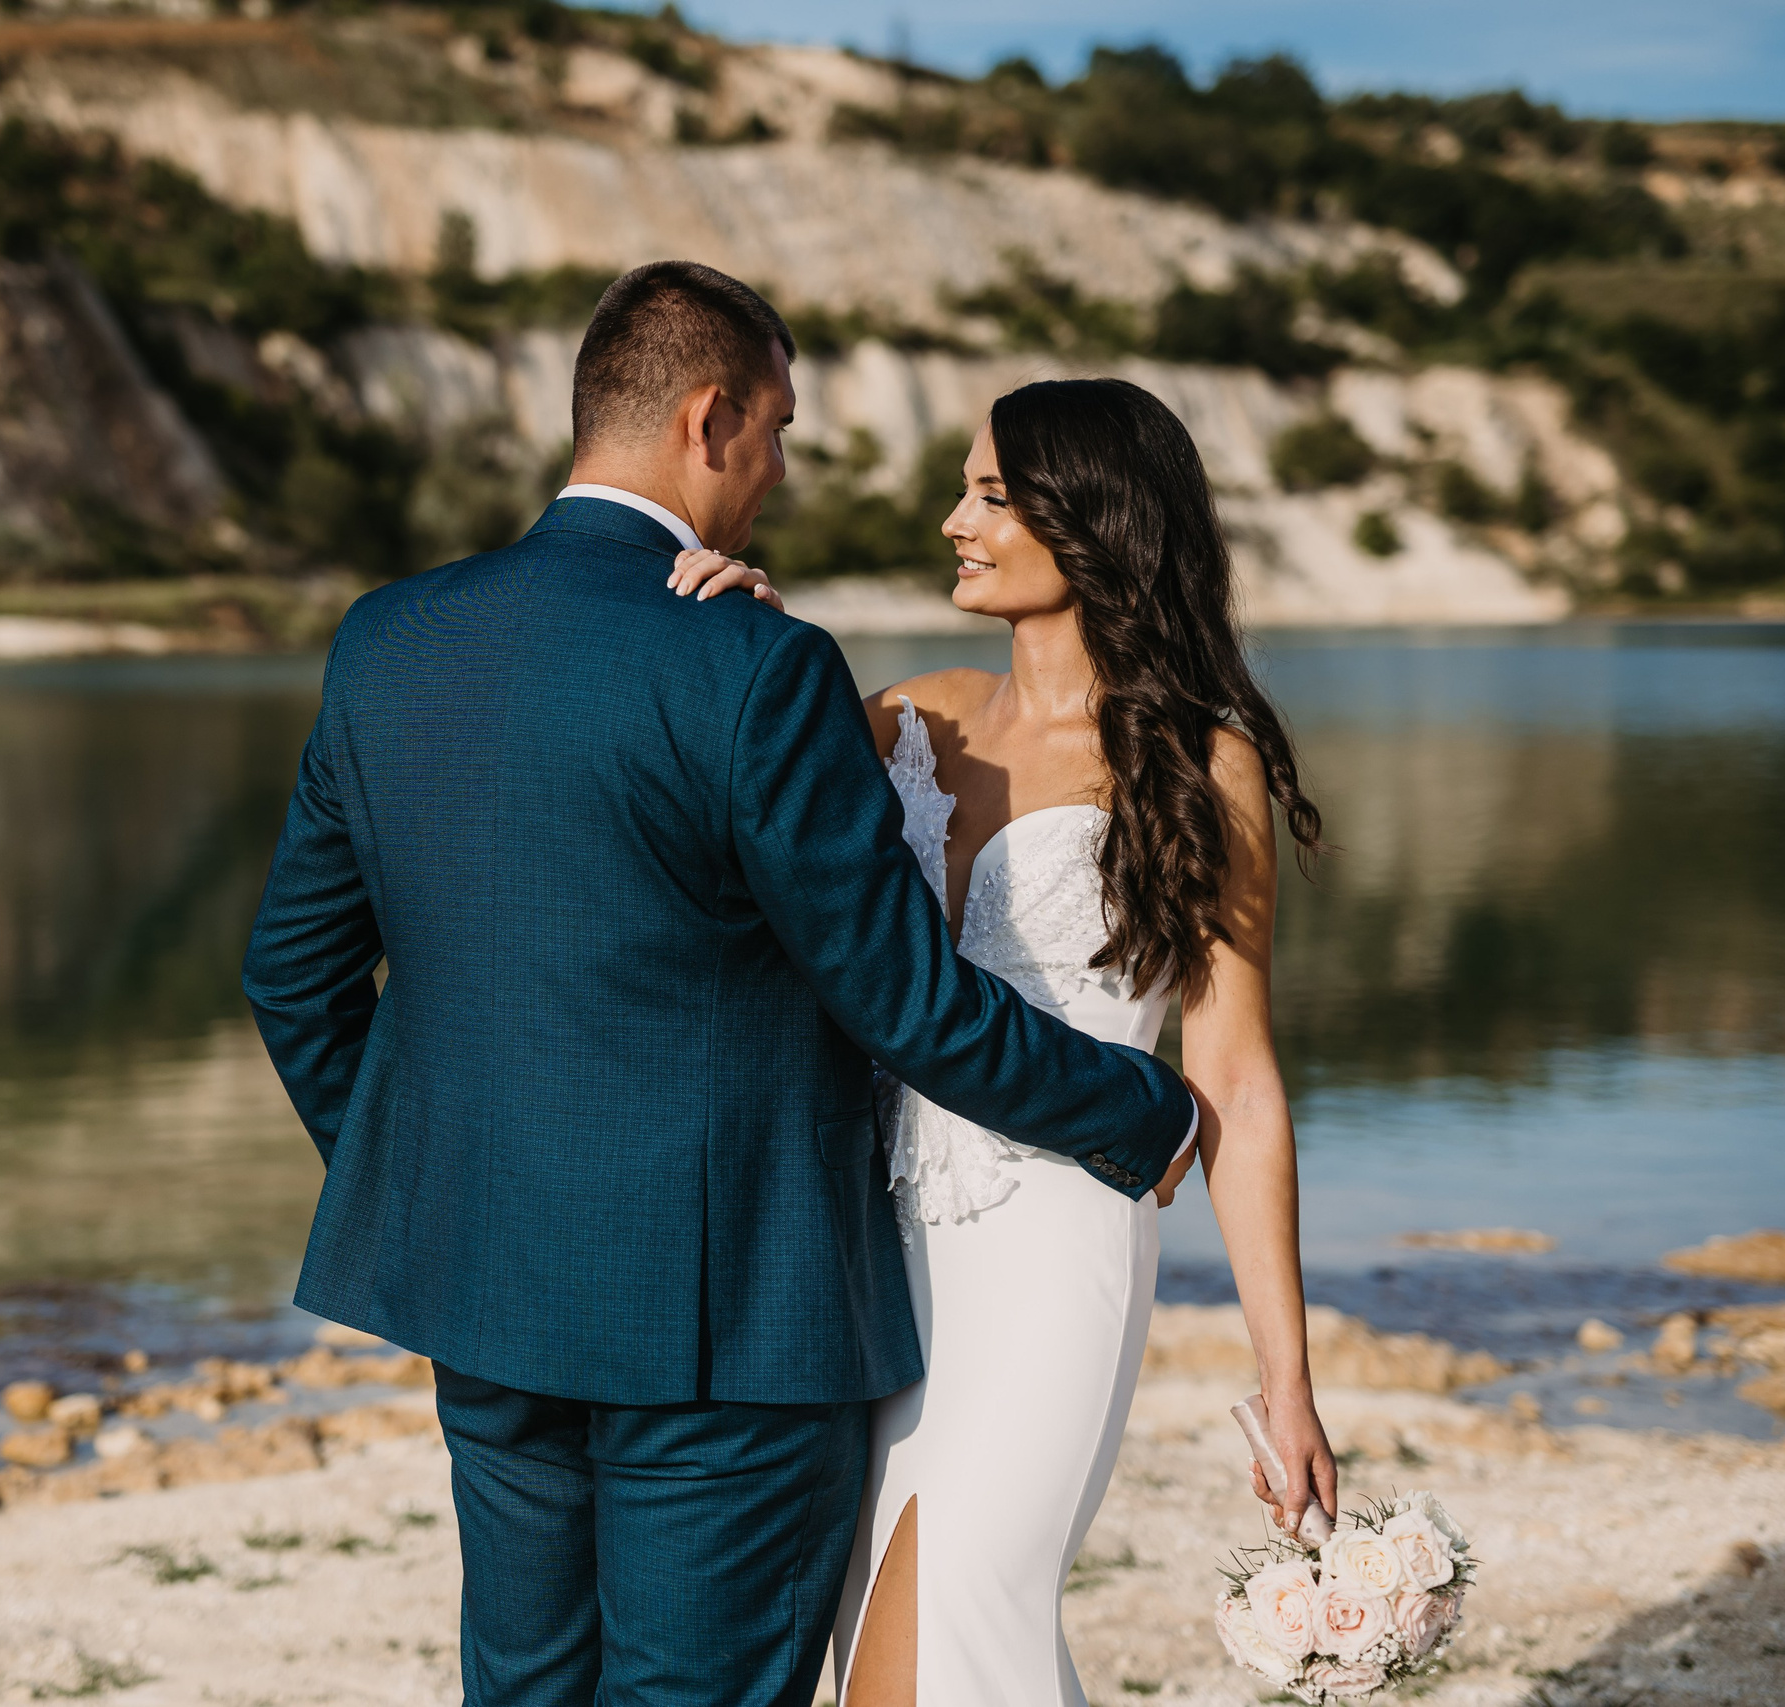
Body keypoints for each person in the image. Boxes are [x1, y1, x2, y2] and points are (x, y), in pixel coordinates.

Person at [241, 265, 1196, 1707]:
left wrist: (450, 1184)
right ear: (710, 422)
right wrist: (1147, 1112)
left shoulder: (390, 638)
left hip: (487, 1294)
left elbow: (293, 980)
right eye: (780, 435)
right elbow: (905, 1006)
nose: (782, 469)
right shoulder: (758, 668)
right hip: (731, 1329)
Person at [672, 376, 1337, 1707]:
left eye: (988, 494)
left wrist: (1287, 1378)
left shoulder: (1201, 765)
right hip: (866, 1254)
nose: (950, 522)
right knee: (881, 1639)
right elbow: (770, 893)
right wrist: (741, 654)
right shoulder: (901, 718)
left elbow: (1236, 1085)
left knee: (952, 1617)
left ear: (1089, 521)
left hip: (1053, 1251)